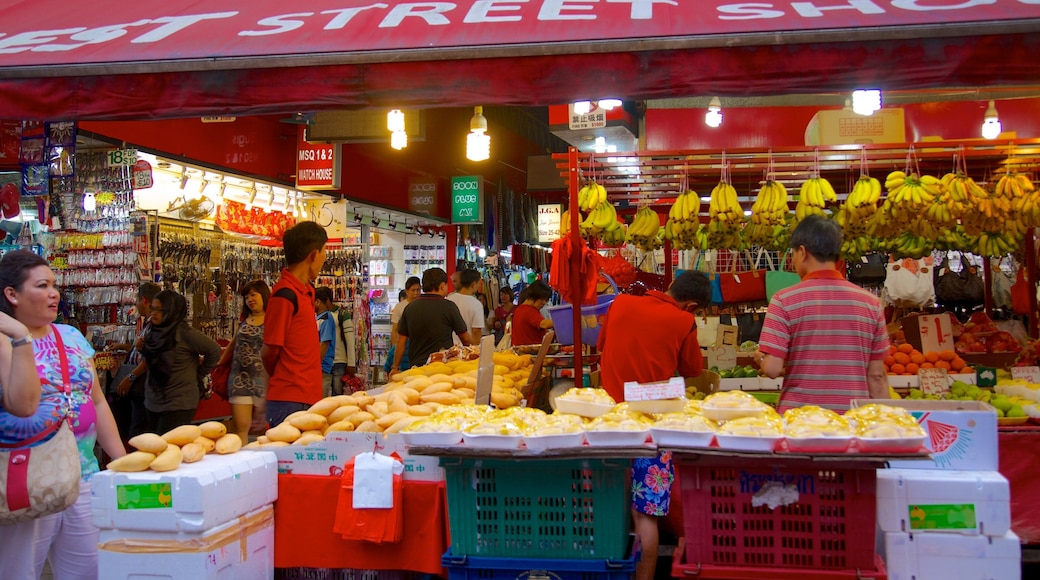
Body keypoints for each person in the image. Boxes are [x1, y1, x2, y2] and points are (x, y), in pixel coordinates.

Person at [0, 249, 125, 579]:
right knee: (19, 571)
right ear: (12, 295)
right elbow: (22, 405)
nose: (54, 293)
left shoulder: (70, 336)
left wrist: (122, 461)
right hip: (27, 479)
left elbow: (97, 402)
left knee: (89, 570)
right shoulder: (3, 342)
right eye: (42, 286)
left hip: (82, 475)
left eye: (55, 285)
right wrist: (19, 338)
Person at [597, 270, 712, 580]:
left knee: (607, 506)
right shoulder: (683, 321)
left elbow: (600, 345)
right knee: (645, 514)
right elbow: (691, 368)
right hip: (651, 429)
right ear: (691, 306)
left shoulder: (619, 303)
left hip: (607, 424)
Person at [755, 214, 890, 413]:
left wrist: (760, 358)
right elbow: (877, 375)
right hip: (851, 419)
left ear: (802, 252)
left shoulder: (784, 300)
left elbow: (772, 369)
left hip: (799, 420)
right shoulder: (871, 303)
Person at [261, 221, 327, 428]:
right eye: (324, 253)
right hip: (289, 400)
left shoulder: (306, 291)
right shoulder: (284, 295)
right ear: (314, 255)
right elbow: (269, 351)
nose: (325, 259)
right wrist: (288, 375)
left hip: (308, 396)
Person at [140, 290, 221, 434]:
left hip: (178, 402)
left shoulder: (185, 333)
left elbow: (214, 350)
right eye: (153, 308)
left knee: (167, 448)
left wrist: (199, 372)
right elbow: (153, 363)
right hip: (153, 400)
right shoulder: (153, 331)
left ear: (171, 311)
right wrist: (142, 349)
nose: (154, 313)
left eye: (160, 310)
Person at [390, 268, 472, 373]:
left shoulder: (410, 307)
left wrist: (395, 367)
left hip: (417, 368)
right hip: (443, 367)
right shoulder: (449, 307)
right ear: (442, 286)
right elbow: (465, 338)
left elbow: (401, 341)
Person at [218, 280, 270, 445]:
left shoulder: (273, 319)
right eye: (246, 296)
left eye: (253, 295)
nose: (250, 299)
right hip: (239, 380)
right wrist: (220, 362)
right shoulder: (244, 319)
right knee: (241, 431)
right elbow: (233, 342)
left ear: (263, 295)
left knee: (270, 432)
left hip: (265, 382)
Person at [110, 281, 160, 439]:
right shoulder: (149, 323)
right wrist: (126, 347)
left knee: (139, 430)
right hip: (141, 387)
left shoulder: (154, 324)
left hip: (142, 385)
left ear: (144, 300)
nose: (136, 304)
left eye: (137, 300)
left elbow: (150, 357)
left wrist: (131, 377)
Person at [387, 277, 420, 373]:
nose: (416, 293)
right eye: (413, 290)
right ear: (407, 291)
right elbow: (395, 329)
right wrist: (394, 349)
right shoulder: (400, 307)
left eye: (418, 290)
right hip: (403, 347)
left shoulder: (422, 305)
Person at [510, 280, 554, 346]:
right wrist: (567, 321)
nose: (544, 302)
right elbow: (544, 324)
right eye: (542, 299)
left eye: (546, 300)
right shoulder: (529, 310)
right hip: (530, 354)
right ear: (534, 296)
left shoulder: (519, 310)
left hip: (522, 353)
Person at [447, 269, 484, 346]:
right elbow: (476, 331)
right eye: (479, 283)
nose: (479, 286)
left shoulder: (449, 299)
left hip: (449, 347)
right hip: (467, 349)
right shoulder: (476, 304)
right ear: (473, 285)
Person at [330, 299, 356, 395]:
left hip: (339, 361)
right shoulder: (318, 315)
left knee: (338, 394)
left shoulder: (342, 314)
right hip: (325, 362)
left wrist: (351, 363)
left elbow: (350, 340)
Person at [315, 286, 337, 398]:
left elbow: (325, 342)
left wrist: (315, 364)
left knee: (319, 401)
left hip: (322, 367)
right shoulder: (319, 318)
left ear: (318, 302)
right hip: (319, 367)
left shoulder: (326, 318)